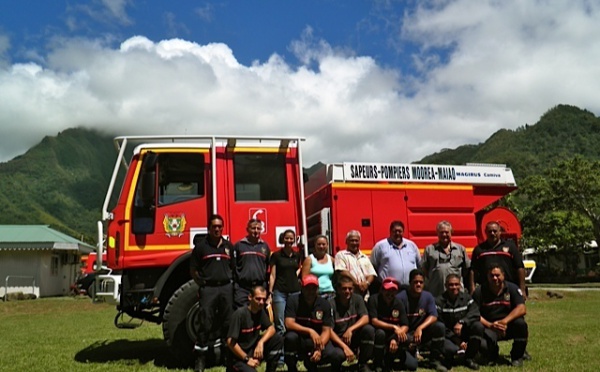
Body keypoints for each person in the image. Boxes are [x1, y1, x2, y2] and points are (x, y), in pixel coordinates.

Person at [190, 214, 234, 372]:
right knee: (205, 323)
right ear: (209, 228)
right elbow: (193, 269)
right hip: (209, 289)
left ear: (222, 228)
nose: (217, 229)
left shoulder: (229, 246)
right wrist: (201, 283)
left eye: (219, 226)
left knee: (228, 323)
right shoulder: (201, 247)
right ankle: (200, 360)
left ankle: (227, 358)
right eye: (214, 226)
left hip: (226, 289)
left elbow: (233, 268)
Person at [284, 274, 342, 372]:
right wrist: (310, 331)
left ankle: (313, 363)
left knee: (338, 354)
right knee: (290, 338)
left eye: (313, 288)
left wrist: (319, 348)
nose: (310, 291)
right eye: (307, 288)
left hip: (318, 340)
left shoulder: (324, 304)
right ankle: (292, 368)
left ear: (317, 289)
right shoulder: (293, 300)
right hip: (300, 339)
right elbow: (288, 323)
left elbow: (326, 330)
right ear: (302, 288)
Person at [472, 265, 528, 367]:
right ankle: (491, 355)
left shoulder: (512, 288)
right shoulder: (479, 291)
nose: (494, 278)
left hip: (507, 325)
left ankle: (517, 357)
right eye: (491, 275)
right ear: (487, 276)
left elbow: (522, 308)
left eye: (497, 275)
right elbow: (474, 314)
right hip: (488, 327)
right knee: (485, 344)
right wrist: (490, 325)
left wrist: (504, 322)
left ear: (503, 275)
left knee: (521, 324)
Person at [397, 269, 448, 372]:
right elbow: (395, 320)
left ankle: (435, 360)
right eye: (415, 282)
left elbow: (434, 316)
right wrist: (406, 338)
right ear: (410, 283)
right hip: (406, 335)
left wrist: (420, 328)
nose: (418, 284)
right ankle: (406, 353)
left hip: (422, 333)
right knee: (412, 366)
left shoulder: (428, 296)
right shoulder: (400, 298)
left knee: (439, 327)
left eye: (421, 282)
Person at [226, 286, 283, 372]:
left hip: (252, 351)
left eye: (264, 299)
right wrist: (247, 359)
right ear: (250, 297)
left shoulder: (260, 312)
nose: (261, 302)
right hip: (238, 358)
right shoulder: (239, 314)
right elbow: (230, 342)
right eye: (258, 299)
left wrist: (261, 342)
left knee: (277, 339)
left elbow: (271, 328)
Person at [368, 277, 418, 372]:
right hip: (379, 333)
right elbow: (374, 321)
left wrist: (395, 338)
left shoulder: (398, 303)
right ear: (382, 290)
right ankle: (378, 363)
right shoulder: (374, 299)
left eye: (393, 291)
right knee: (380, 334)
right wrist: (394, 327)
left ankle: (393, 358)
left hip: (393, 335)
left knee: (413, 365)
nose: (390, 294)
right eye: (387, 290)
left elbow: (405, 325)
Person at [268, 229, 302, 368]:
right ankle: (280, 358)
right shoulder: (276, 255)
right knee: (280, 326)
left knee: (294, 325)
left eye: (291, 238)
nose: (289, 240)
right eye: (287, 238)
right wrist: (270, 292)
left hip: (295, 293)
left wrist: (295, 275)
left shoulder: (297, 255)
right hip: (280, 293)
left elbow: (298, 268)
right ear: (283, 239)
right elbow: (272, 275)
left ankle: (294, 355)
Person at [435, 274, 483, 370]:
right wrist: (456, 340)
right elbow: (440, 324)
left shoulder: (467, 298)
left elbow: (475, 313)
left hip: (465, 333)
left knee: (478, 327)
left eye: (456, 284)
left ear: (460, 285)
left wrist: (462, 322)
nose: (454, 287)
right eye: (451, 285)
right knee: (452, 350)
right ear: (446, 285)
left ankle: (469, 358)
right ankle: (448, 359)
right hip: (448, 336)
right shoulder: (439, 301)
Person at [469, 221, 526, 299]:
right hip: (486, 290)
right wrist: (472, 289)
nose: (492, 233)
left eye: (495, 231)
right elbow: (473, 270)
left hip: (508, 288)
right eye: (490, 231)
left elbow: (520, 268)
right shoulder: (479, 249)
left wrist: (522, 289)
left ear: (500, 232)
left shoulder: (511, 247)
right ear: (485, 232)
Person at [329, 276, 375, 372]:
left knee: (369, 330)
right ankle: (336, 368)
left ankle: (362, 364)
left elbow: (365, 318)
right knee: (336, 355)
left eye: (350, 289)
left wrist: (350, 329)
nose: (347, 291)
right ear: (337, 289)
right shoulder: (331, 304)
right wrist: (344, 347)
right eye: (344, 288)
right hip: (338, 341)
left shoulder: (357, 299)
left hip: (353, 337)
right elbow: (329, 331)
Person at [422, 220, 470, 297]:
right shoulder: (429, 249)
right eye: (441, 232)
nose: (444, 234)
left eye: (447, 232)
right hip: (435, 292)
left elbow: (466, 270)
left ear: (451, 232)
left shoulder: (460, 249)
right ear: (437, 233)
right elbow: (424, 271)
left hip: (456, 292)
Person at [233, 219, 271, 309]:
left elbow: (268, 266)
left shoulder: (265, 246)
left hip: (259, 287)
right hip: (242, 288)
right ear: (247, 229)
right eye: (253, 228)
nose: (256, 231)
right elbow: (233, 266)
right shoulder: (239, 245)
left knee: (258, 313)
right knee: (242, 312)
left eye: (258, 228)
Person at [371, 220, 421, 286]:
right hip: (390, 290)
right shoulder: (380, 246)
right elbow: (373, 267)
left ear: (403, 232)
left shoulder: (412, 246)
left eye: (400, 231)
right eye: (395, 231)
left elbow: (419, 265)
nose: (397, 233)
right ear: (390, 232)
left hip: (410, 288)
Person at [334, 230, 377, 299]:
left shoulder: (364, 257)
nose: (354, 243)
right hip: (348, 295)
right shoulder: (341, 255)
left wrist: (367, 283)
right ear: (346, 242)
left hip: (364, 295)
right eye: (352, 240)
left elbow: (372, 274)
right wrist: (357, 284)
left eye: (356, 241)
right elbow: (342, 272)